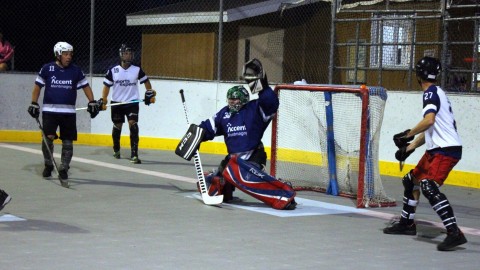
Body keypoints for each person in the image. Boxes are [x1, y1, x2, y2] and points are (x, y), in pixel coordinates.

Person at [175, 58, 296, 210]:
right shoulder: (224, 114)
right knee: (209, 183)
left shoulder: (255, 108)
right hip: (232, 160)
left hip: (253, 156)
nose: (232, 102)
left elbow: (271, 104)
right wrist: (195, 136)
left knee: (242, 175)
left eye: (235, 99)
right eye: (230, 99)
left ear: (244, 99)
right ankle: (226, 189)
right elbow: (208, 127)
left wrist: (263, 85)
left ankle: (283, 193)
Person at [383, 56, 467, 251]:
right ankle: (407, 224)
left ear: (418, 75)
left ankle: (455, 233)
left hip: (446, 151)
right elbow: (431, 128)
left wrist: (406, 135)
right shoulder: (437, 92)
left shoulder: (430, 93)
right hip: (438, 149)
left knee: (428, 187)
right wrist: (409, 147)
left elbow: (428, 121)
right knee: (410, 180)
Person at [27, 42, 100, 187]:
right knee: (48, 138)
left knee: (68, 141)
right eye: (66, 54)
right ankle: (48, 164)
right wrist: (34, 103)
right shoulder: (47, 68)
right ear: (58, 55)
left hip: (68, 112)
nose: (69, 57)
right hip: (50, 111)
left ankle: (64, 168)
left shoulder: (76, 70)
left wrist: (92, 101)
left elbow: (85, 86)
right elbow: (37, 86)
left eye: (70, 54)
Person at [100, 44, 156, 164]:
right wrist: (104, 99)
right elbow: (106, 86)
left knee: (133, 124)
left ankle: (134, 154)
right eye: (127, 53)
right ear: (121, 55)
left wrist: (150, 93)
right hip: (116, 103)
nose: (129, 55)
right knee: (117, 125)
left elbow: (146, 82)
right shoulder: (113, 70)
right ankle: (116, 150)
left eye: (130, 53)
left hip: (132, 102)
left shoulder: (137, 69)